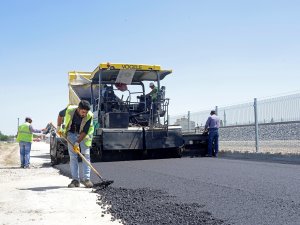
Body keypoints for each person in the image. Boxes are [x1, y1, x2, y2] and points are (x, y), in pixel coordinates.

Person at [57, 100, 94, 188]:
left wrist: (77, 142)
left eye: (86, 112)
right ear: (78, 109)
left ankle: (87, 179)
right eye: (83, 112)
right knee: (73, 157)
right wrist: (59, 127)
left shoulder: (89, 115)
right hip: (72, 133)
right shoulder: (69, 109)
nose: (84, 114)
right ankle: (75, 180)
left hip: (84, 135)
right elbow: (60, 115)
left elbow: (85, 131)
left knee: (85, 155)